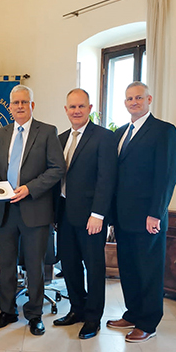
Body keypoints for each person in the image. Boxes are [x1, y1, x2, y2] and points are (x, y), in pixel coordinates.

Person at [0, 85, 65, 336]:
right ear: (9, 106)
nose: (19, 106)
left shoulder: (47, 132)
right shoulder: (0, 133)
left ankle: (34, 314)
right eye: (15, 102)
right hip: (5, 210)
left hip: (35, 209)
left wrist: (30, 188)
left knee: (35, 266)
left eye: (24, 102)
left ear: (32, 105)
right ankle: (7, 311)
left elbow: (56, 169)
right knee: (6, 265)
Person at [107, 81, 176, 342]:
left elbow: (167, 176)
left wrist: (156, 213)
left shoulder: (163, 131)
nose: (134, 102)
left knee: (148, 270)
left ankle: (148, 323)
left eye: (139, 97)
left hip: (148, 217)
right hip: (123, 217)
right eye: (129, 99)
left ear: (149, 100)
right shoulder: (119, 133)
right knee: (129, 269)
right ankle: (133, 312)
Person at [53, 88, 117, 339]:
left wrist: (98, 214)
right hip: (65, 215)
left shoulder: (104, 137)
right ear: (66, 110)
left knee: (94, 267)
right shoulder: (60, 139)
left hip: (91, 217)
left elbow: (107, 179)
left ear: (90, 109)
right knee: (69, 265)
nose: (76, 111)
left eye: (81, 106)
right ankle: (77, 310)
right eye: (72, 107)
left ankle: (92, 318)